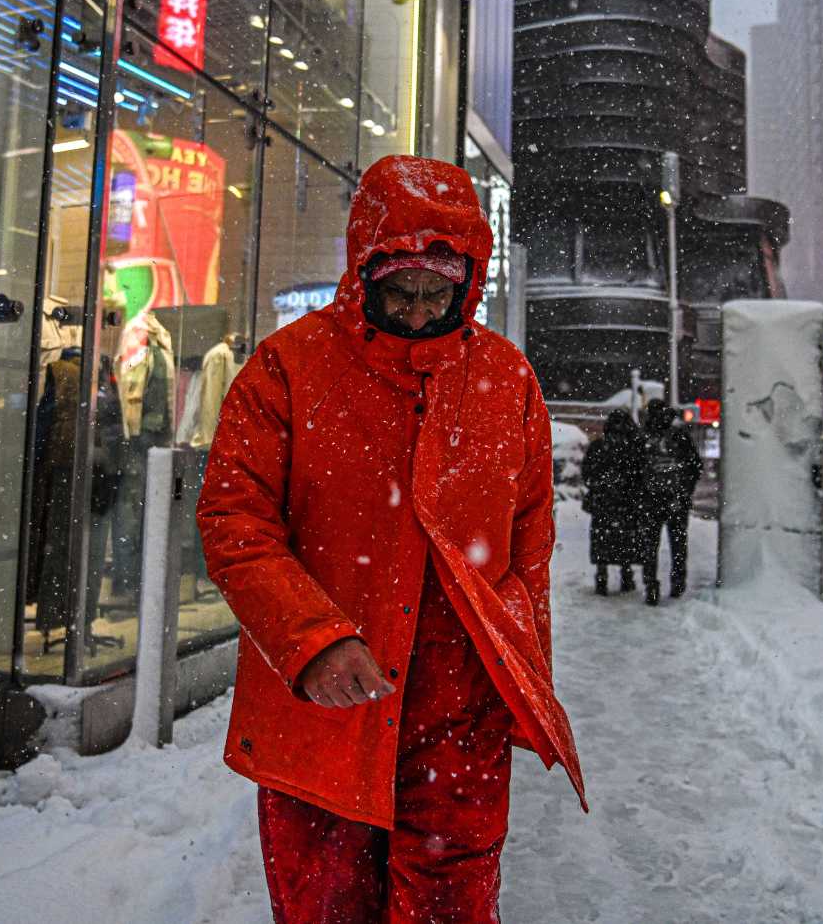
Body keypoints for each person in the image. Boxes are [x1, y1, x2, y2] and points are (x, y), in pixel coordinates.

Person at [197, 155, 586, 924]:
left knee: (454, 908)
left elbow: (528, 548)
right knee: (326, 906)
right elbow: (234, 519)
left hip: (458, 719)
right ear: (363, 271)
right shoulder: (287, 369)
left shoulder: (507, 382)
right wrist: (312, 640)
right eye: (398, 291)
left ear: (466, 281)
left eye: (435, 292)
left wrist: (520, 674)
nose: (415, 311)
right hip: (324, 712)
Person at [638, 399, 703, 605]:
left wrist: (641, 494)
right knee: (678, 543)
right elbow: (695, 466)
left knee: (650, 545)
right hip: (677, 500)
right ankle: (677, 582)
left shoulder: (643, 437)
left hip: (651, 500)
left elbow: (633, 469)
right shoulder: (679, 436)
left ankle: (651, 585)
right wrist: (685, 492)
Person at [581, 409, 644, 595]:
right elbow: (639, 476)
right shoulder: (632, 449)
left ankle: (602, 576)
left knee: (603, 540)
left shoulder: (599, 447)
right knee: (624, 540)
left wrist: (602, 484)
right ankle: (626, 575)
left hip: (604, 503)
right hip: (625, 503)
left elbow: (588, 475)